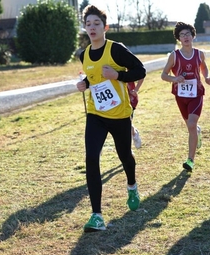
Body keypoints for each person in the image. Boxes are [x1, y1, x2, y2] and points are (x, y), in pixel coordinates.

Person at [76, 5, 146, 232]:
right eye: (88, 24)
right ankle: (97, 215)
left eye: (96, 24)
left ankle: (132, 186)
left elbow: (140, 70)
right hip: (96, 114)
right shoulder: (83, 54)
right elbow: (93, 75)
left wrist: (118, 75)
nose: (92, 28)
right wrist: (84, 84)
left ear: (105, 27)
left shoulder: (116, 50)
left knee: (124, 155)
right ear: (85, 28)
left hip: (120, 115)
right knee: (91, 159)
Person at [161, 22, 210, 172]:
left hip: (196, 93)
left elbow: (203, 67)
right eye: (182, 35)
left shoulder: (199, 53)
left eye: (188, 34)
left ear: (193, 36)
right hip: (180, 95)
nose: (185, 37)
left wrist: (208, 77)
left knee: (191, 124)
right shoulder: (174, 56)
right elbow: (163, 75)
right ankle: (196, 131)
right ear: (178, 38)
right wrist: (174, 79)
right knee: (190, 126)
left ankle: (190, 160)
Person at [127, 79, 144, 149]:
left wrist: (136, 89)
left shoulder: (128, 68)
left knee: (126, 124)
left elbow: (141, 75)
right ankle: (134, 132)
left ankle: (133, 133)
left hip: (129, 100)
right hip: (114, 100)